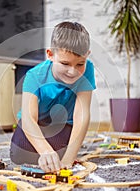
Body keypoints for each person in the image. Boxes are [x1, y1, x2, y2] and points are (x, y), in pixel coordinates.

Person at [10, 21, 96, 173]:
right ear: (50, 55)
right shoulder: (34, 76)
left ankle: (57, 149)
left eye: (79, 64)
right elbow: (29, 118)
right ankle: (47, 149)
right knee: (18, 154)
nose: (73, 71)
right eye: (65, 63)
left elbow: (81, 115)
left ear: (87, 56)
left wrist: (69, 158)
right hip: (38, 124)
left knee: (62, 152)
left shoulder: (88, 69)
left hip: (63, 125)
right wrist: (44, 150)